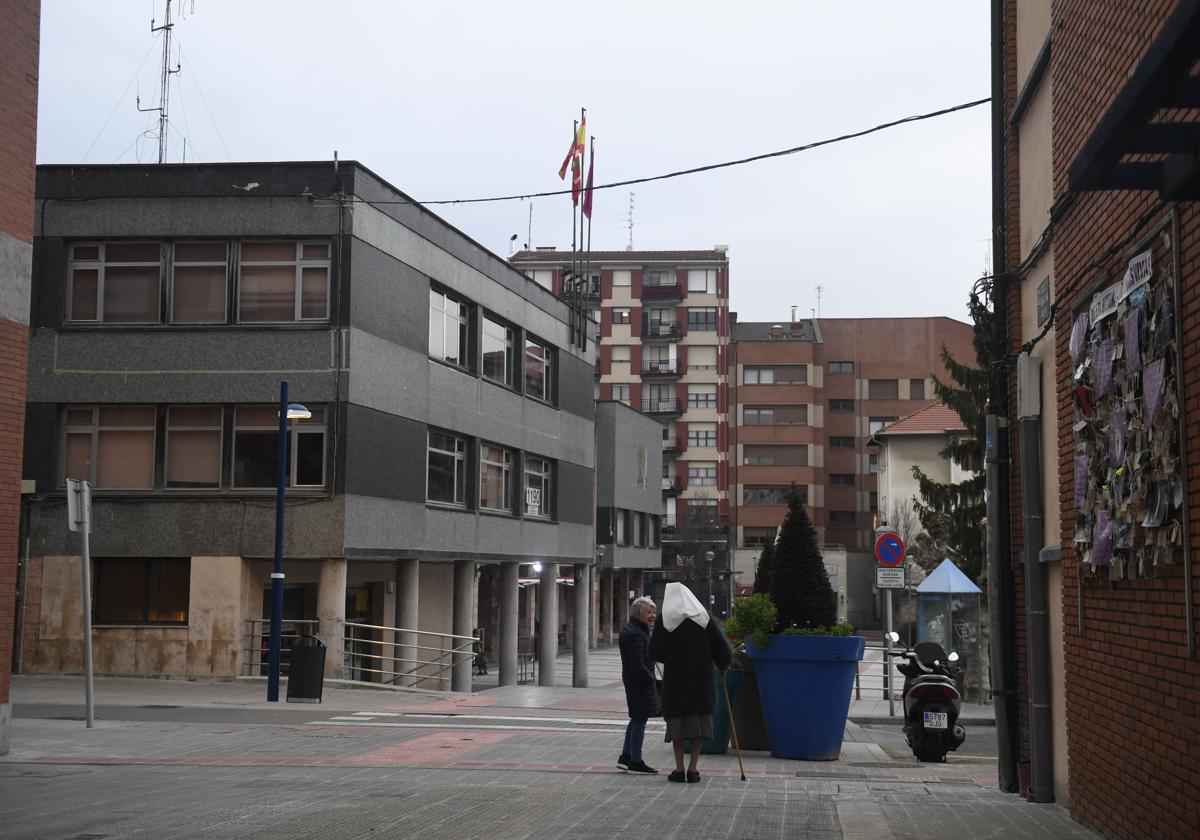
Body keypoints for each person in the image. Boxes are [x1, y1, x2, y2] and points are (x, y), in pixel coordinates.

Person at [649, 581, 732, 783]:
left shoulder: (665, 620)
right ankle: (693, 769)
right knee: (699, 726)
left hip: (676, 682)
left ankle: (679, 769)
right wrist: (723, 664)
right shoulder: (702, 617)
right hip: (701, 680)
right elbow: (722, 648)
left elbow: (656, 652)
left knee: (677, 726)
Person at [617, 595, 659, 775]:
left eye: (654, 612)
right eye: (649, 612)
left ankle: (626, 757)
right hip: (639, 682)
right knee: (640, 719)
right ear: (638, 613)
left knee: (636, 718)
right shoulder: (635, 633)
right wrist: (650, 678)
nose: (653, 616)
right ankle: (635, 760)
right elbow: (636, 663)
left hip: (635, 681)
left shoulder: (637, 629)